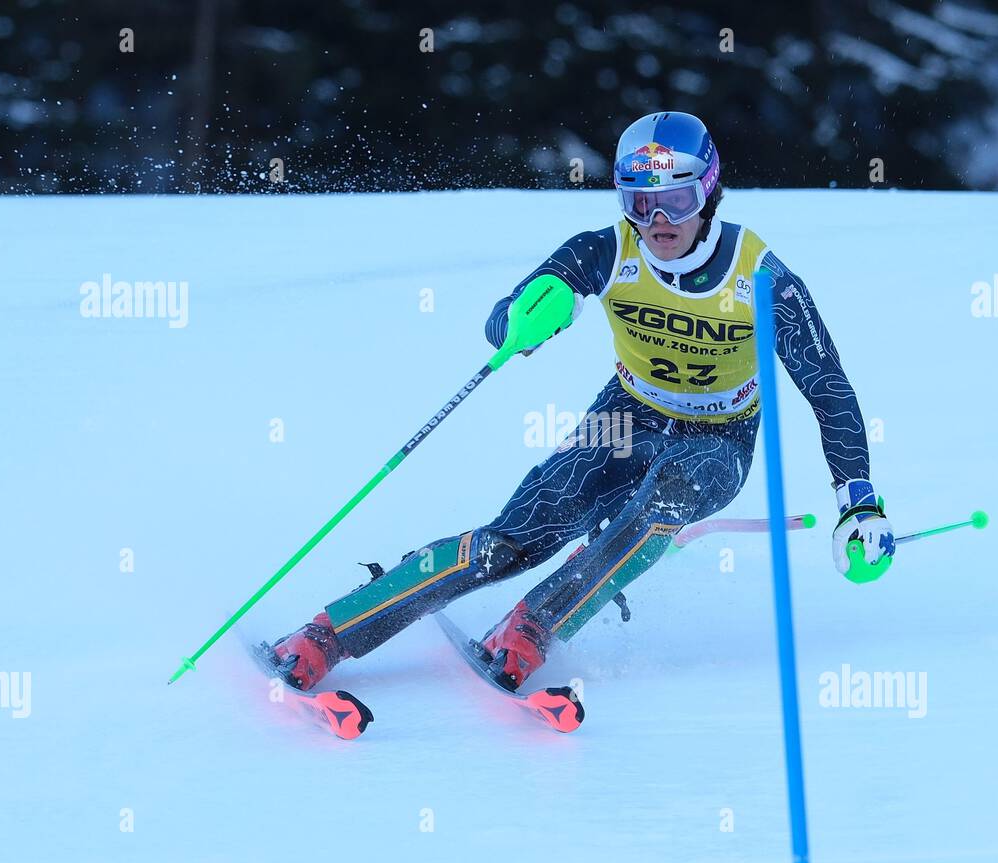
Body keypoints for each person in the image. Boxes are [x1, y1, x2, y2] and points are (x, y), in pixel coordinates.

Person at [266, 111, 895, 693]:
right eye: (639, 202)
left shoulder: (760, 277)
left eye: (676, 199)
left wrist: (858, 502)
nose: (658, 222)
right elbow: (513, 311)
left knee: (669, 493)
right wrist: (532, 312)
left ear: (707, 191)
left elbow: (829, 389)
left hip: (719, 438)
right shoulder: (608, 249)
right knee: (510, 544)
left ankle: (534, 626)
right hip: (625, 416)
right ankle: (329, 632)